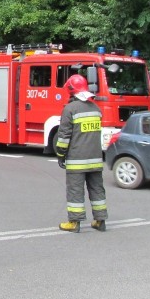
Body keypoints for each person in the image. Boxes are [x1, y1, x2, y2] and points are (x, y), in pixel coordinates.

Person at [56, 74, 107, 233]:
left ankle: (74, 223)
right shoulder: (96, 109)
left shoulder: (70, 109)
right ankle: (100, 221)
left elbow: (64, 137)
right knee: (97, 189)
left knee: (75, 191)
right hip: (96, 159)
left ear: (71, 90)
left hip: (77, 160)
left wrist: (60, 155)